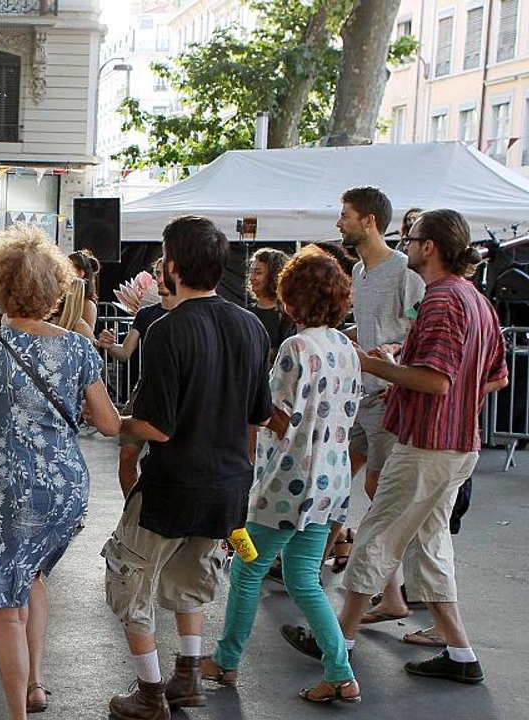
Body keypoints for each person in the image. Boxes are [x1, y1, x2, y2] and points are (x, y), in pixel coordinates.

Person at [285, 209, 508, 686]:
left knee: (376, 535)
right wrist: (402, 373)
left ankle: (337, 641)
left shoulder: (443, 300)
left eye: (411, 238)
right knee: (428, 546)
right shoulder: (477, 300)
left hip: (429, 442)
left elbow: (436, 381)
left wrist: (379, 367)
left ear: (430, 247)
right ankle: (462, 653)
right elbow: (494, 376)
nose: (405, 244)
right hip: (456, 443)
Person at [103, 216, 271, 720]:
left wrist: (113, 421)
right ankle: (188, 677)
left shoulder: (166, 330)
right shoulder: (251, 326)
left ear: (173, 266)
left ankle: (151, 694)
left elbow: (157, 426)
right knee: (192, 579)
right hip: (228, 487)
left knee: (129, 581)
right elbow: (258, 415)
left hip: (173, 487)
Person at [0, 225, 120, 719]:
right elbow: (108, 423)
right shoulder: (78, 348)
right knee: (34, 575)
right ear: (55, 288)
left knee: (8, 603)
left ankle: (17, 714)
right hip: (65, 487)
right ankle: (38, 683)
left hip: (6, 486)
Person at [201, 247, 361, 703]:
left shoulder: (296, 347)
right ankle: (340, 672)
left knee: (246, 564)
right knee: (304, 579)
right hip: (329, 483)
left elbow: (278, 416)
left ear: (291, 297)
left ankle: (226, 661)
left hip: (285, 485)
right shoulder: (345, 347)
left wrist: (241, 399)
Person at [332, 187, 423, 616]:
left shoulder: (406, 271)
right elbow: (372, 328)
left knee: (380, 492)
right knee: (347, 478)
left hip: (389, 397)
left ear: (368, 221)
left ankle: (392, 593)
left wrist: (394, 357)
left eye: (345, 215)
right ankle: (393, 597)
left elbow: (420, 330)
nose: (339, 222)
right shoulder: (359, 272)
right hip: (362, 395)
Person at [98, 258, 177, 497]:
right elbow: (125, 352)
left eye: (165, 274)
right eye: (157, 274)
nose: (161, 279)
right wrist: (110, 346)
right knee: (127, 454)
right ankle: (129, 510)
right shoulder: (146, 314)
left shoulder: (188, 313)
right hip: (144, 391)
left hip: (176, 396)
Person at [247, 248, 294, 361]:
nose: (251, 277)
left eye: (258, 273)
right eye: (251, 272)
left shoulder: (288, 314)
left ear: (274, 276)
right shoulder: (247, 312)